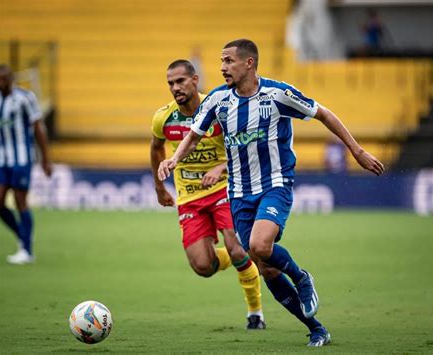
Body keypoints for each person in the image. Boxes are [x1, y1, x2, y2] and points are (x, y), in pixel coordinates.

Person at [158, 39, 385, 347]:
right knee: (265, 267)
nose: (222, 67)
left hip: (274, 184)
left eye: (228, 61)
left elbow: (324, 114)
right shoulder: (217, 100)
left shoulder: (277, 94)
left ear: (249, 63)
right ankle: (316, 328)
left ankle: (302, 277)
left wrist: (356, 151)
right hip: (239, 193)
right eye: (221, 61)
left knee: (259, 245)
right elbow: (193, 136)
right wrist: (173, 159)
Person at [150, 59, 265, 329]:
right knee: (203, 266)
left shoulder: (218, 108)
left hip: (226, 188)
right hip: (190, 196)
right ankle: (240, 256)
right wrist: (160, 188)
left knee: (237, 247)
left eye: (180, 81)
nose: (175, 87)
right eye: (170, 83)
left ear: (195, 80)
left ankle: (255, 313)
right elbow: (156, 149)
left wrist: (222, 166)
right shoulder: (163, 118)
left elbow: (246, 145)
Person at [0, 64, 52, 264]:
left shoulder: (24, 98)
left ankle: (27, 251)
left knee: (20, 201)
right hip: (1, 159)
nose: (0, 83)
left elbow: (38, 127)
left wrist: (45, 158)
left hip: (21, 158)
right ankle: (24, 234)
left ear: (11, 79)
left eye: (3, 79)